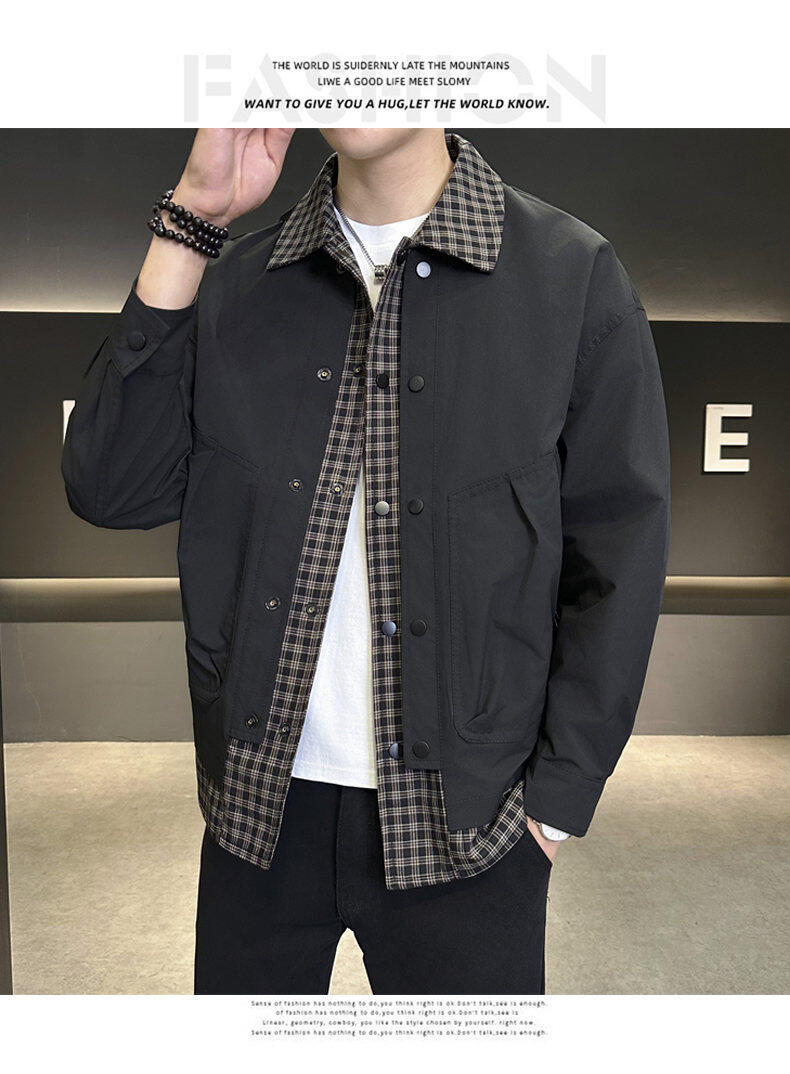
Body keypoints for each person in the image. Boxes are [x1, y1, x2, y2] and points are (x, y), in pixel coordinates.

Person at [61, 127, 671, 995]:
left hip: (472, 823)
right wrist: (191, 223)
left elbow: (619, 551)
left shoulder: (570, 276)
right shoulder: (238, 280)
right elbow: (110, 489)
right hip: (257, 811)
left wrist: (557, 803)